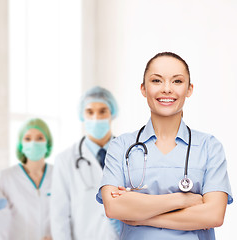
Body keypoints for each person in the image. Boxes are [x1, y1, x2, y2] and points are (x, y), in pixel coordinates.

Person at [96, 52, 233, 239]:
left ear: (189, 89)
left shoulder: (209, 147)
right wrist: (184, 199)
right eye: (156, 81)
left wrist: (141, 215)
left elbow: (213, 215)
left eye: (177, 81)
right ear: (143, 89)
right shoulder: (121, 146)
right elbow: (113, 207)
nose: (167, 89)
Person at [51, 86, 120, 240]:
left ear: (112, 113)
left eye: (103, 111)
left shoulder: (130, 154)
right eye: (90, 112)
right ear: (82, 115)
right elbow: (59, 216)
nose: (96, 117)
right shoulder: (65, 159)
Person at [0, 118, 53, 240]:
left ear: (48, 142)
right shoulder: (7, 177)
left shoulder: (58, 174)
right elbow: (0, 220)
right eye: (27, 138)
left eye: (40, 138)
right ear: (20, 144)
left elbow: (67, 215)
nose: (33, 143)